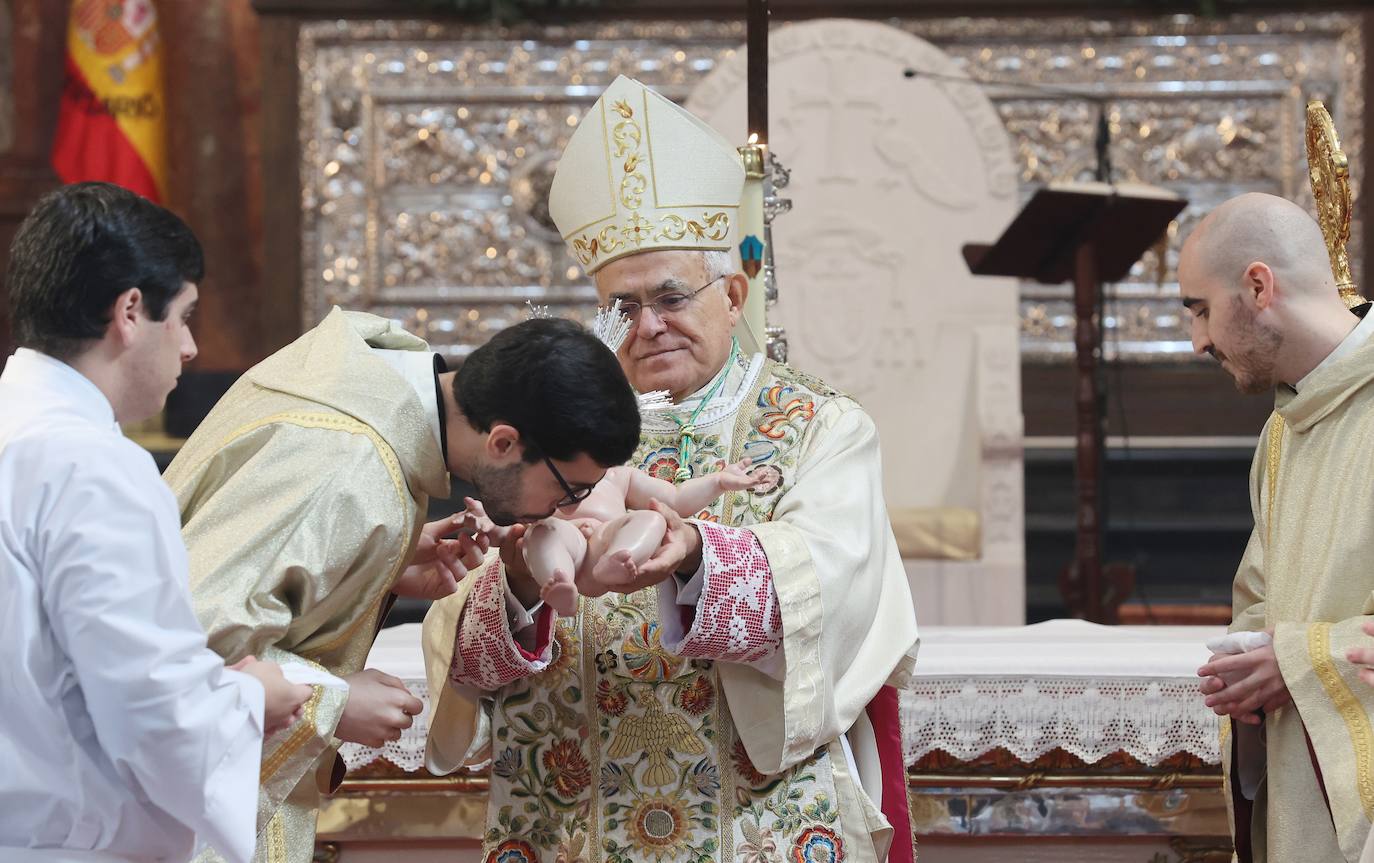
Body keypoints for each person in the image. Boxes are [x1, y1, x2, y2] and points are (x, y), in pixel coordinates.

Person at [422, 76, 921, 863]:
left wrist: (695, 556)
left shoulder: (822, 427)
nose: (648, 325)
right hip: (577, 821)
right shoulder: (550, 427)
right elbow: (463, 649)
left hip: (762, 824)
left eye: (670, 296)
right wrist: (519, 590)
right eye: (622, 307)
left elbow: (835, 594)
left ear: (732, 292)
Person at [162, 308, 641, 862]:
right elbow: (183, 644)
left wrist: (381, 566)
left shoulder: (373, 376)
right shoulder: (348, 465)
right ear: (504, 443)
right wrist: (334, 702)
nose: (564, 512)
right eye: (567, 489)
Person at [0, 182, 311, 863]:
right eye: (186, 316)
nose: (193, 347)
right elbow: (149, 708)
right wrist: (248, 696)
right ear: (131, 311)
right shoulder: (92, 465)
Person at [1183, 192, 1374, 863]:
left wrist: (1292, 661)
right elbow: (1260, 605)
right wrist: (1249, 673)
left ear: (1258, 286)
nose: (1197, 340)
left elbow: (1286, 646)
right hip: (1302, 800)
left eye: (1200, 309)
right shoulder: (1281, 436)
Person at [468, 457, 764, 615]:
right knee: (542, 534)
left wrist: (717, 482)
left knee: (653, 518)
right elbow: (513, 522)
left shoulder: (618, 475)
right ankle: (560, 584)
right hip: (568, 549)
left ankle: (621, 558)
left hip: (603, 545)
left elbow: (676, 500)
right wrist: (491, 524)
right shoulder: (539, 475)